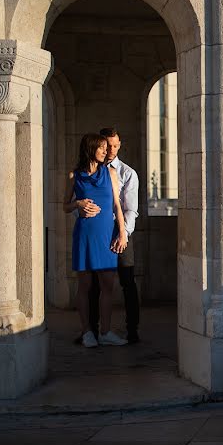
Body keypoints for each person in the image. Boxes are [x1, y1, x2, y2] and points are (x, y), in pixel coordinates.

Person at [63, 133, 129, 348]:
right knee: (84, 285)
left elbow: (117, 207)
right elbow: (65, 205)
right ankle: (86, 332)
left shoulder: (110, 173)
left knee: (108, 285)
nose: (106, 151)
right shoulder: (74, 175)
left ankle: (106, 331)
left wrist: (122, 233)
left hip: (106, 234)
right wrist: (78, 204)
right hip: (84, 234)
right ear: (91, 149)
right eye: (101, 148)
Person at [85, 128, 141, 343]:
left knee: (128, 281)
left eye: (116, 145)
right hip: (97, 233)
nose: (112, 150)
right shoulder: (89, 171)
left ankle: (132, 330)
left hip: (121, 233)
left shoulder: (127, 173)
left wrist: (123, 234)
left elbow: (130, 209)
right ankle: (91, 330)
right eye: (108, 146)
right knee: (94, 284)